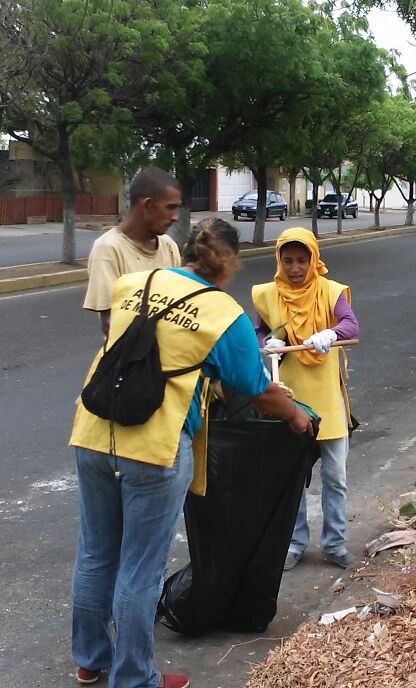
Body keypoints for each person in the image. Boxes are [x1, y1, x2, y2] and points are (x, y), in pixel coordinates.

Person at [69, 218, 314, 688]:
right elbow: (256, 388)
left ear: (183, 252)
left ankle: (90, 659)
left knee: (96, 553)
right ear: (231, 262)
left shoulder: (133, 283)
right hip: (154, 447)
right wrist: (295, 416)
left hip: (94, 432)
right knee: (140, 566)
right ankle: (135, 678)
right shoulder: (223, 313)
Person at [252, 227, 360, 571]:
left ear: (313, 259)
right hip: (290, 400)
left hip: (328, 400)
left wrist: (331, 332)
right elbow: (258, 330)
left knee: (336, 476)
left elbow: (350, 325)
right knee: (292, 479)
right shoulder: (269, 294)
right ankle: (295, 543)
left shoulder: (331, 291)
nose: (295, 268)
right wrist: (270, 341)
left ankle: (334, 543)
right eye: (288, 261)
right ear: (279, 261)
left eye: (302, 260)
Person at [83, 167, 183, 339]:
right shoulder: (108, 249)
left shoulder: (168, 245)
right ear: (147, 205)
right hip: (130, 361)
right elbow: (110, 324)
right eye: (170, 208)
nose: (175, 217)